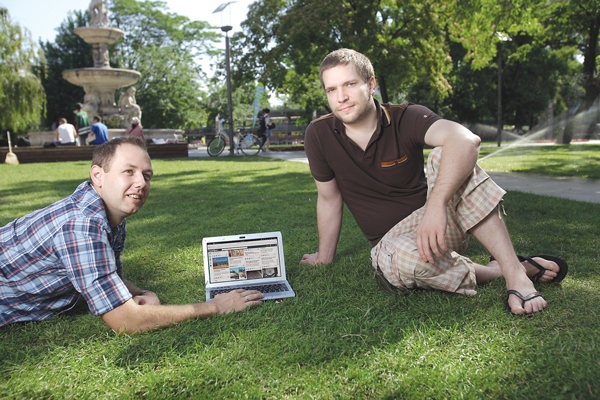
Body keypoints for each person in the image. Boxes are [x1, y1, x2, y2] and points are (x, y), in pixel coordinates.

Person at [300, 48, 568, 316]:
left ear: (371, 85)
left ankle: (515, 277)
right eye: (331, 90)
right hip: (390, 243)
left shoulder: (405, 117)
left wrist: (435, 206)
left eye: (349, 84)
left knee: (448, 154)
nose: (341, 97)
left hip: (437, 225)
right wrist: (324, 257)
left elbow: (466, 140)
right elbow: (329, 198)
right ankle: (500, 270)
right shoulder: (319, 134)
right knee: (403, 261)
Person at [0, 137, 264, 333]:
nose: (141, 183)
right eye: (129, 171)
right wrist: (217, 306)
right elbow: (126, 321)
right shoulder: (81, 225)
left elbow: (105, 274)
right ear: (98, 176)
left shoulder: (107, 211)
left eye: (147, 175)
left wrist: (142, 291)